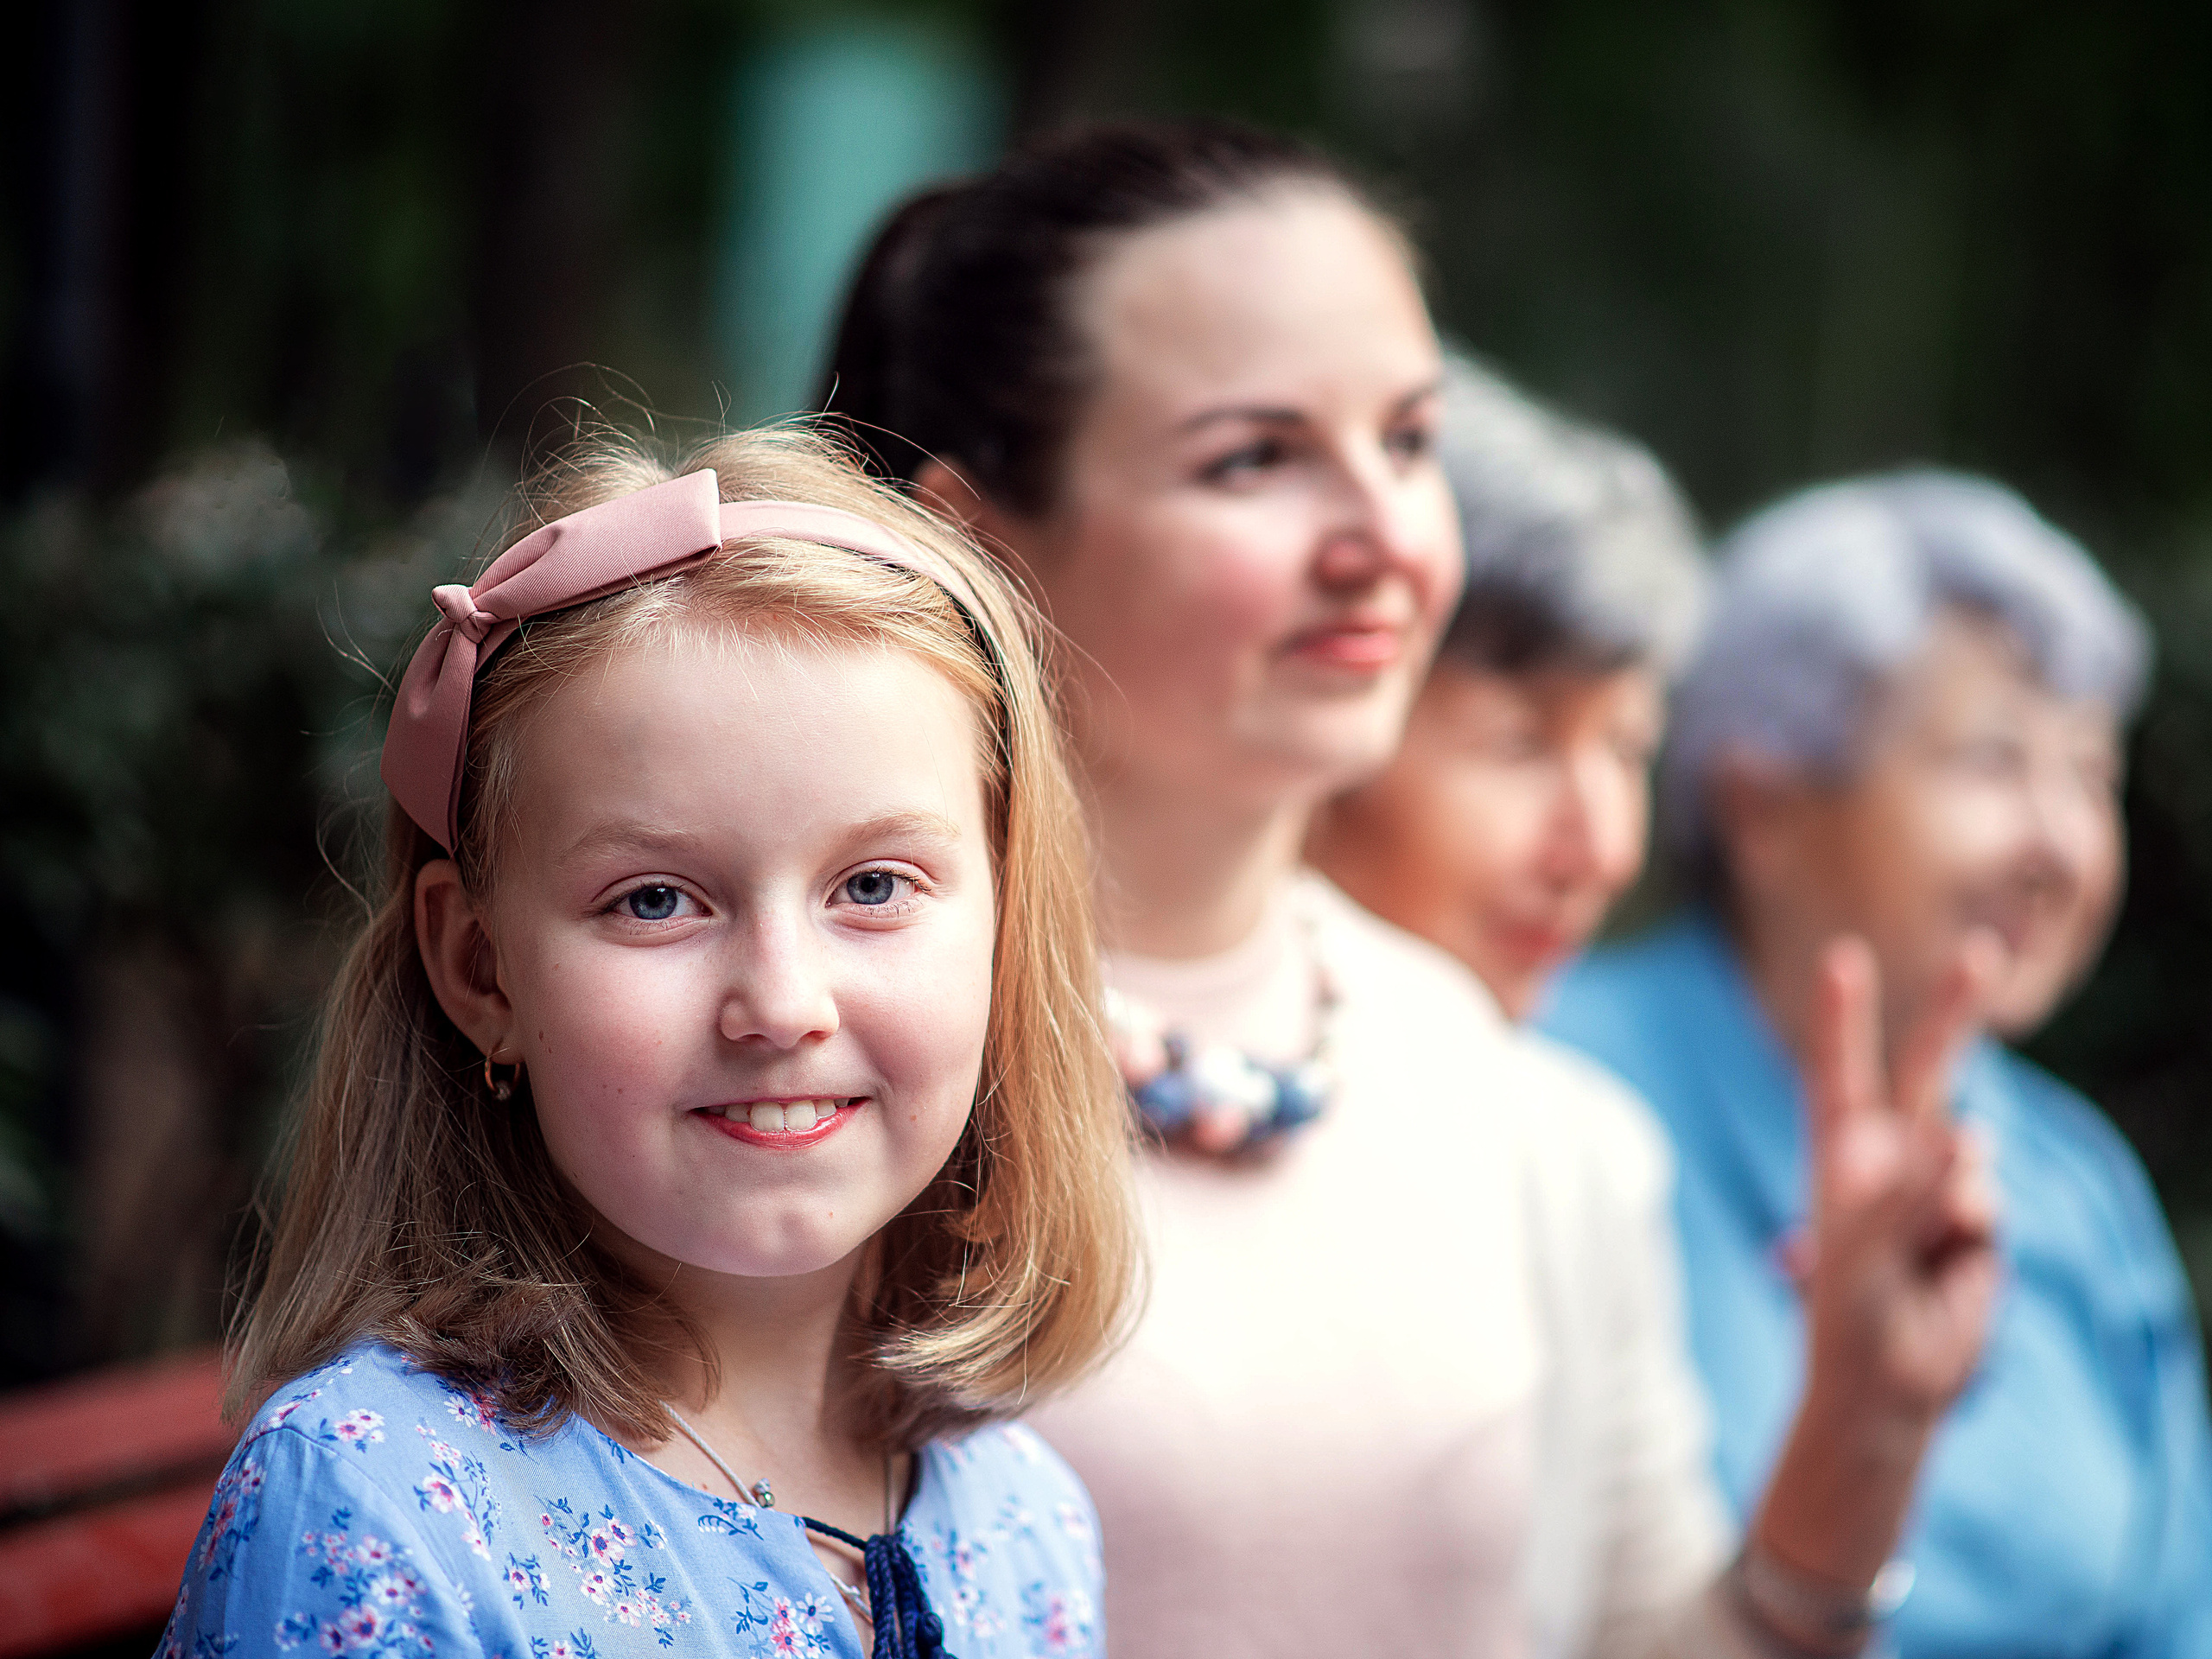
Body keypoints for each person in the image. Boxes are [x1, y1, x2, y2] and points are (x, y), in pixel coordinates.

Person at [823, 118, 1999, 1659]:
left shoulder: (1517, 1112)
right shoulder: (819, 1059)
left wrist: (1863, 1424)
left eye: (1408, 439)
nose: (1384, 537)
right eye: (1255, 458)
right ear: (974, 536)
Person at [158, 428, 1140, 1659]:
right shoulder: (379, 1502)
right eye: (656, 901)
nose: (783, 1004)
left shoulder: (1024, 1518)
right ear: (479, 967)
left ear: (1006, 928)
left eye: (875, 886)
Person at [1541, 472, 2212, 1656]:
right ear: (1761, 806)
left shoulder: (2071, 1181)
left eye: (2091, 776)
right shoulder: (1548, 1098)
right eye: (1994, 762)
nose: (2059, 845)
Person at [1308, 353, 1707, 1018]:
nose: (1605, 852)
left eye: (1629, 747)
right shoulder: (1102, 1090)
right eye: (1519, 745)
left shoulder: (1589, 1121)